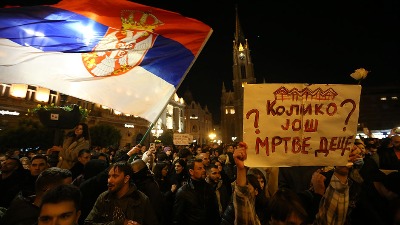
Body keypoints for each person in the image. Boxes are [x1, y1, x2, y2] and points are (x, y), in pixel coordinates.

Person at [84, 161, 158, 225]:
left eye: (115, 176)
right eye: (109, 177)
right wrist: (118, 223)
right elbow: (88, 223)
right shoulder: (104, 197)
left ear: (126, 178)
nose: (109, 180)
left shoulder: (141, 199)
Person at [1, 167, 72, 225]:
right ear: (49, 192)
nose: (72, 192)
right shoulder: (32, 220)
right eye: (67, 189)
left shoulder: (23, 203)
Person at [172, 158, 220, 225]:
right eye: (199, 168)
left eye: (203, 168)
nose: (203, 170)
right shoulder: (183, 192)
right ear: (191, 171)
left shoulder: (209, 188)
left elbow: (215, 212)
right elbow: (177, 218)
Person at [131, 159, 166, 224]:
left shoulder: (150, 185)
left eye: (133, 172)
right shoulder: (140, 183)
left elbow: (156, 208)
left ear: (140, 171)